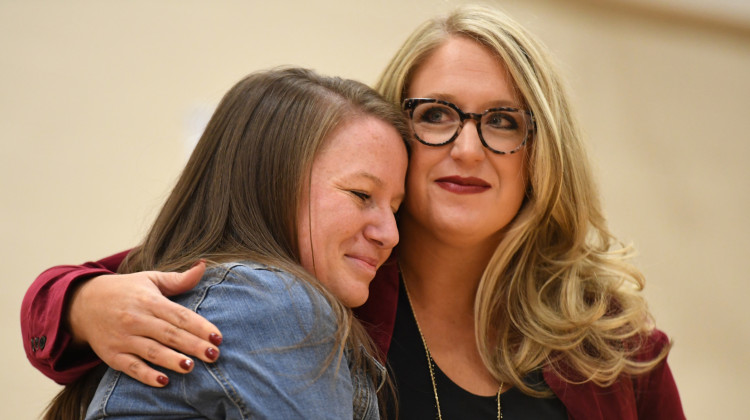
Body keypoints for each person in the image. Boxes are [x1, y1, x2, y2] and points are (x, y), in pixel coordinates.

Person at [22, 5, 685, 419]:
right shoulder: (330, 274)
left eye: (503, 122)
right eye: (437, 115)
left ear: (543, 150)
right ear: (399, 130)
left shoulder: (614, 345)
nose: (467, 147)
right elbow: (140, 285)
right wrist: (84, 302)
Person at [38, 67, 410, 419]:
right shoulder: (274, 302)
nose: (390, 235)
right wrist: (79, 303)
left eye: (396, 209)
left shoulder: (227, 295)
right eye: (362, 194)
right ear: (272, 184)